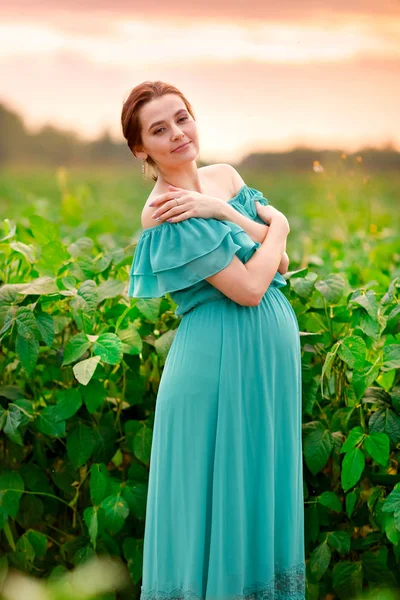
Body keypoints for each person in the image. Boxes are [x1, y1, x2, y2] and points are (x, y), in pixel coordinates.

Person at [121, 80, 306, 600]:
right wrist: (276, 229)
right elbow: (250, 287)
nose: (178, 133)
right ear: (142, 150)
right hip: (218, 363)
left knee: (256, 490)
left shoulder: (224, 178)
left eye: (182, 118)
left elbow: (283, 261)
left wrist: (230, 214)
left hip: (265, 366)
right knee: (220, 497)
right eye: (159, 129)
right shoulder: (165, 211)